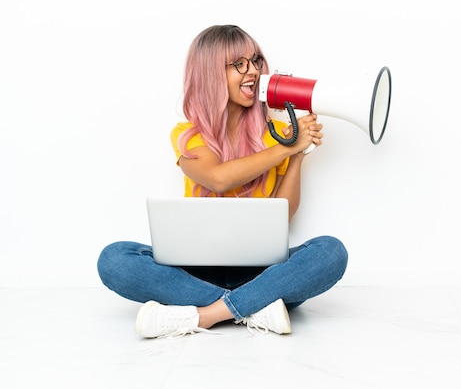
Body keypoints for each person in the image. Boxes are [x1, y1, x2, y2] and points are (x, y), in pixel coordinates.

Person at [97, 24, 349, 339]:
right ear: (210, 74)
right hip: (195, 271)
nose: (253, 71)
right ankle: (254, 307)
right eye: (238, 64)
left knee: (330, 252)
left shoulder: (276, 133)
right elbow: (218, 178)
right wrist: (286, 147)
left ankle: (206, 315)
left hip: (261, 271)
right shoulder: (188, 135)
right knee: (114, 259)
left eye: (256, 61)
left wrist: (298, 155)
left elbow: (283, 214)